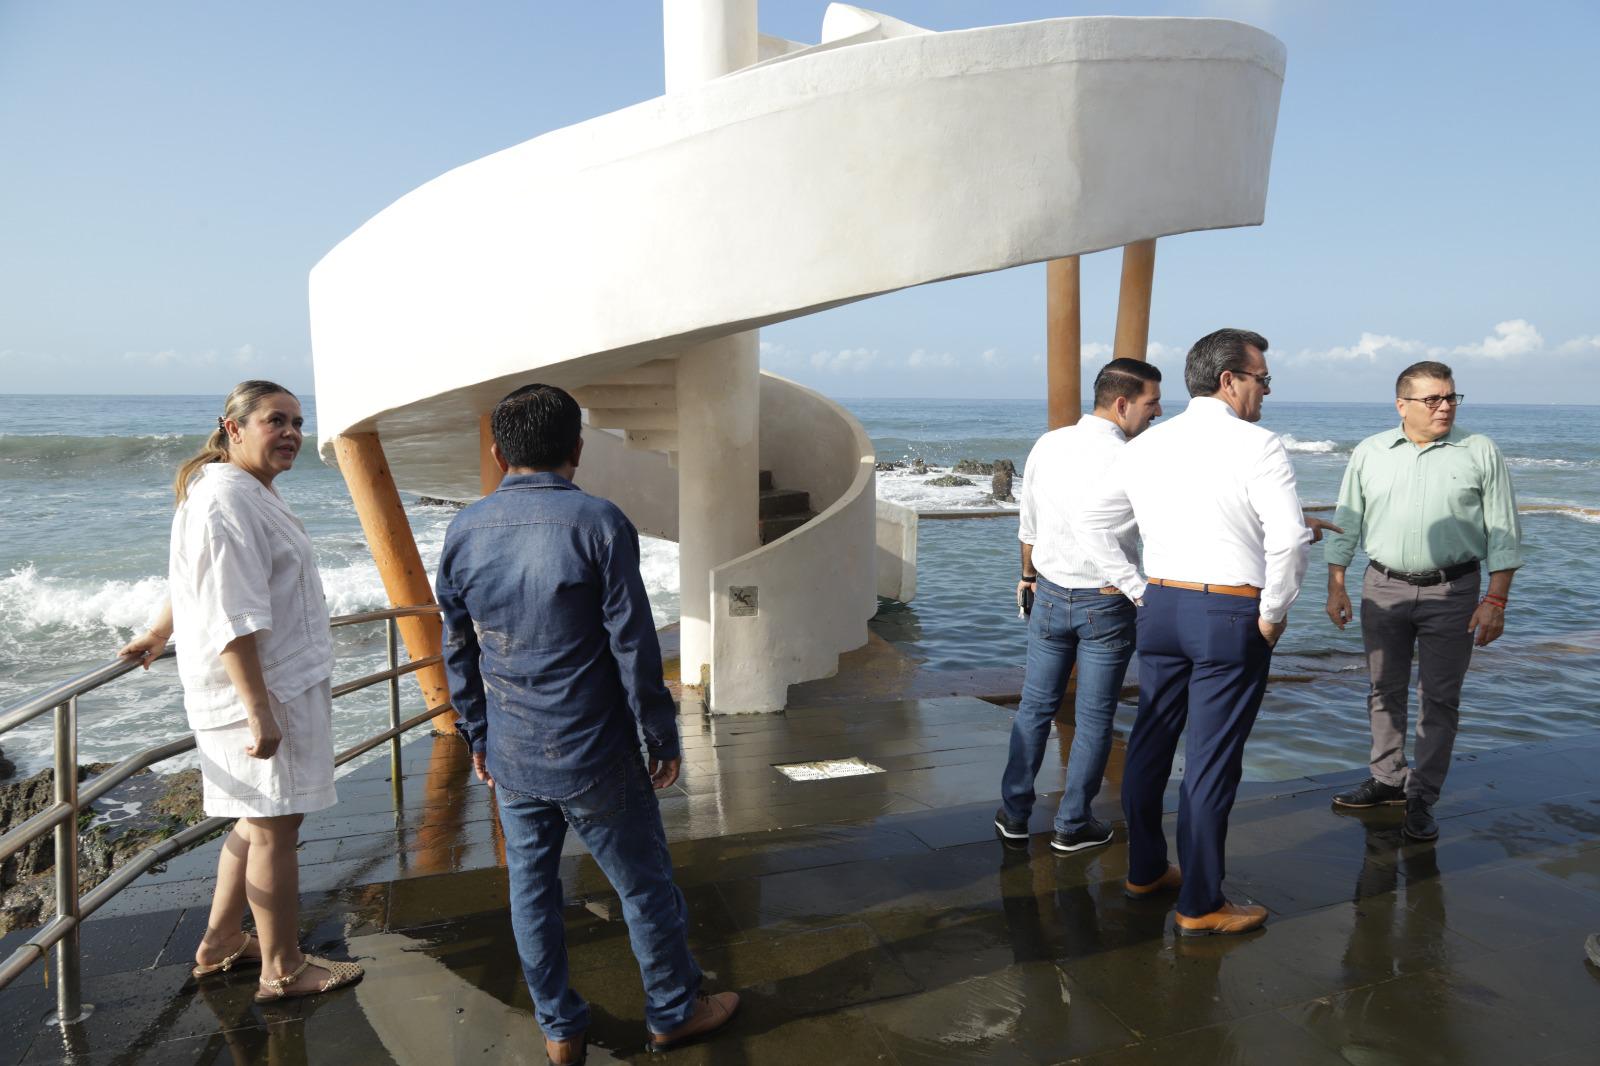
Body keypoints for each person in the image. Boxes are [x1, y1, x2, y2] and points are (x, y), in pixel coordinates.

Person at [435, 384, 739, 1064]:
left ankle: (560, 1029)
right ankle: (672, 1011)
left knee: (531, 891)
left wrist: (476, 734)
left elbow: (457, 646)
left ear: (496, 451)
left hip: (512, 751)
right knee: (644, 885)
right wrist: (659, 736)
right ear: (577, 448)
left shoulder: (463, 530)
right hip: (594, 751)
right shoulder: (600, 523)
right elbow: (634, 645)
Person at [119, 380, 362, 1001]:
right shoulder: (226, 496)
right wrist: (258, 711)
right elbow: (231, 610)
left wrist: (155, 632)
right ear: (233, 427)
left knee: (259, 821)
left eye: (298, 423)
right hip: (261, 690)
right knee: (274, 827)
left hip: (277, 682)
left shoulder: (239, 491)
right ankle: (281, 970)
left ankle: (222, 940)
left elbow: (192, 581)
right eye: (274, 421)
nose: (291, 434)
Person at [1077, 329, 1312, 936]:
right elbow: (1287, 538)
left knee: (1152, 742)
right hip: (1229, 612)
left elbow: (1092, 524)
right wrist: (1276, 611)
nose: (1265, 391)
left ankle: (1146, 869)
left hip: (1163, 605)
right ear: (1229, 380)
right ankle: (1202, 904)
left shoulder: (1148, 445)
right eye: (1262, 379)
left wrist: (1135, 588)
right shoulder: (1258, 444)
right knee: (1210, 761)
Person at [1323, 361, 1522, 841]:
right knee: (1382, 689)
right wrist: (1336, 583)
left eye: (1451, 397)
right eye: (1433, 399)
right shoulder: (1370, 452)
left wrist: (1496, 598)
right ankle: (1388, 779)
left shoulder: (1479, 451)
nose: (1445, 406)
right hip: (1382, 586)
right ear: (1402, 405)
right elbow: (1347, 521)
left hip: (1454, 592)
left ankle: (1422, 797)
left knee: (1439, 698)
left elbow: (1503, 530)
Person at [995, 358, 1163, 853]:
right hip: (1106, 602)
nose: (1156, 413)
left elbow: (1028, 521)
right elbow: (1160, 527)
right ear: (1122, 403)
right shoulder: (1135, 458)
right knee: (1093, 716)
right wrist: (1141, 585)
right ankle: (1071, 825)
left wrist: (1026, 576)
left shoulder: (1049, 443)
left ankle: (1015, 812)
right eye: (1152, 403)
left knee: (1035, 707)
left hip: (1047, 591)